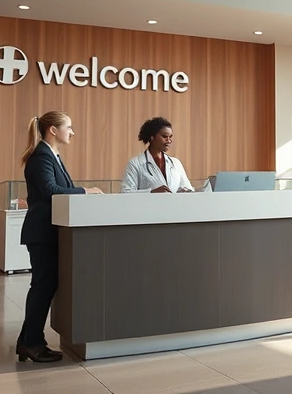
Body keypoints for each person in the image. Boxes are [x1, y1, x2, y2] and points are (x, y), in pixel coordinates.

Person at [16, 111, 102, 363]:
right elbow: (51, 191)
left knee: (45, 286)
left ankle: (29, 341)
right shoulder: (41, 156)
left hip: (49, 232)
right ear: (53, 130)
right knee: (43, 287)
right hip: (42, 233)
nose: (72, 132)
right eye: (69, 127)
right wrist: (86, 191)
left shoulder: (51, 155)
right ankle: (31, 342)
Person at [121, 117, 194, 193]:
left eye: (170, 137)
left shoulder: (176, 163)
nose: (169, 140)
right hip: (148, 205)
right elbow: (125, 192)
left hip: (174, 204)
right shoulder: (135, 164)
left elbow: (188, 188)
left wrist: (185, 191)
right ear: (152, 137)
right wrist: (151, 192)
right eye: (164, 136)